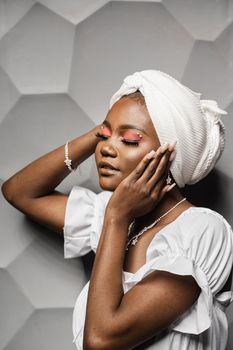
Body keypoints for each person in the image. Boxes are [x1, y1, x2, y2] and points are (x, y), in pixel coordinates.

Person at [1, 69, 233, 350]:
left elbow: (101, 340)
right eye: (105, 135)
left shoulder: (202, 230)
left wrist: (117, 217)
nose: (106, 149)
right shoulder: (108, 215)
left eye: (131, 139)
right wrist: (98, 135)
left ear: (171, 155)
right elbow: (19, 192)